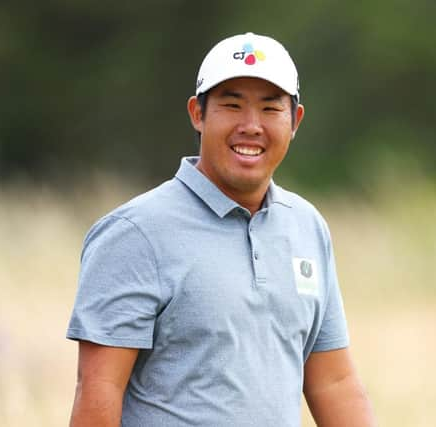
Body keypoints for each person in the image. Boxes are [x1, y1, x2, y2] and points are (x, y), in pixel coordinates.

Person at [66, 32, 376, 427]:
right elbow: (98, 390)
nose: (251, 126)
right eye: (231, 105)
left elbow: (334, 382)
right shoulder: (134, 233)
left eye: (269, 108)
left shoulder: (307, 227)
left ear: (294, 121)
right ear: (198, 114)